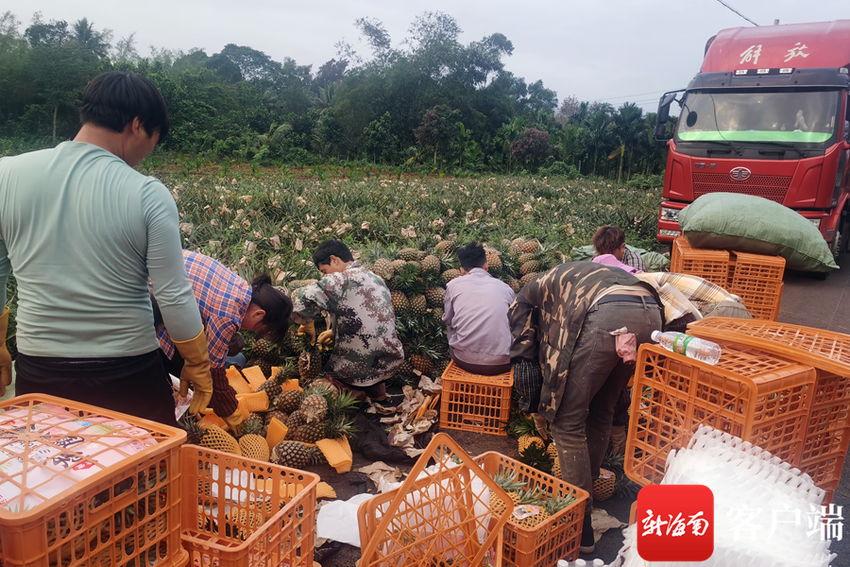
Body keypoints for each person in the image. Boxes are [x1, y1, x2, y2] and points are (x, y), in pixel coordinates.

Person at [0, 71, 212, 426]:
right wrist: (197, 361)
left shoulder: (6, 175)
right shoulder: (147, 193)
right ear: (138, 125)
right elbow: (172, 292)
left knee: (53, 475)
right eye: (153, 141)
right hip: (127, 371)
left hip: (40, 367)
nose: (146, 155)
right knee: (145, 475)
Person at [509, 262, 664, 553]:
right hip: (651, 312)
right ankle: (588, 490)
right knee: (603, 409)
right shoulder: (568, 278)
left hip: (607, 317)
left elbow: (524, 354)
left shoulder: (525, 298)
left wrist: (536, 403)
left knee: (567, 422)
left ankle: (580, 526)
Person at [152, 251, 293, 435]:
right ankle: (164, 420)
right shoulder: (228, 315)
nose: (254, 332)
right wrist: (230, 410)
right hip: (149, 298)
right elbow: (213, 373)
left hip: (162, 273)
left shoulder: (242, 288)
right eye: (260, 329)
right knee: (167, 370)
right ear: (259, 314)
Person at [292, 239, 403, 400]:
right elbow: (365, 314)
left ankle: (352, 392)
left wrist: (307, 324)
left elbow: (305, 297)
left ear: (334, 260)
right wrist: (334, 331)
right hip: (391, 363)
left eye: (324, 271)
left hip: (357, 369)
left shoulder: (340, 279)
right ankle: (376, 389)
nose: (325, 275)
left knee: (326, 371)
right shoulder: (376, 278)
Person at [442, 243, 515, 375]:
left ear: (462, 270)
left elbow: (448, 320)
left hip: (465, 361)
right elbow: (515, 323)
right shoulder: (506, 288)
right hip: (503, 363)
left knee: (450, 327)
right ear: (486, 265)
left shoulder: (453, 285)